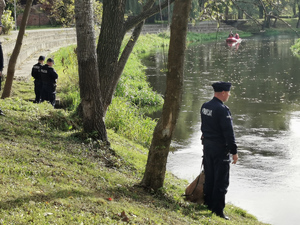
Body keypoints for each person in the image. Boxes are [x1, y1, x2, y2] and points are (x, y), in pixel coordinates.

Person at [200, 82, 238, 220]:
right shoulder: (222, 109)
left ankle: (208, 203)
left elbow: (203, 127)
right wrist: (234, 151)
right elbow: (229, 133)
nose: (229, 95)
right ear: (223, 92)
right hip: (220, 150)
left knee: (210, 177)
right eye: (228, 92)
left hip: (207, 147)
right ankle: (218, 211)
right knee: (221, 181)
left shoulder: (205, 106)